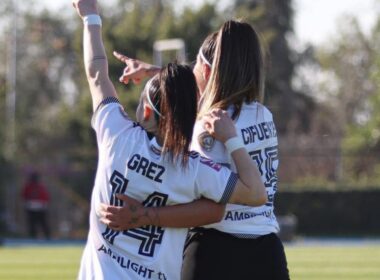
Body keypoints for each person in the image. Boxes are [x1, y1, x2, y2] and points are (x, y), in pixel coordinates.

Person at [72, 1, 266, 279]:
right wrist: (233, 141)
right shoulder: (195, 169)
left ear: (147, 110)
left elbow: (96, 72)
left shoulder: (115, 133)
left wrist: (91, 18)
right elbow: (255, 192)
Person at [21, 171, 51, 239]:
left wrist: (45, 204)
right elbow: (24, 196)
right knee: (32, 224)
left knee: (43, 223)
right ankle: (33, 238)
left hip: (40, 208)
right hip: (31, 207)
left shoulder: (41, 186)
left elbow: (46, 197)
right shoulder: (28, 187)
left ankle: (48, 238)